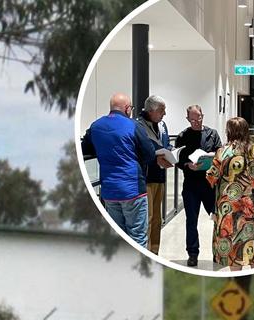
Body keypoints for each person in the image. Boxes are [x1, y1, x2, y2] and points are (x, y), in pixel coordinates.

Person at [89, 93, 155, 248]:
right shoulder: (133, 125)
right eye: (131, 108)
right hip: (133, 190)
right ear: (127, 109)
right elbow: (149, 153)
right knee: (137, 237)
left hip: (109, 192)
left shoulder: (96, 126)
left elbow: (85, 146)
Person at [206, 118, 254, 270]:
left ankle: (237, 284)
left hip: (232, 206)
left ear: (229, 132)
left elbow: (211, 178)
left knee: (233, 245)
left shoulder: (223, 152)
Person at [174, 105, 223, 267]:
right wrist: (188, 165)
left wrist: (212, 160)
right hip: (191, 185)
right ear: (187, 119)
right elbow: (178, 160)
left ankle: (219, 251)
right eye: (193, 120)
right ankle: (193, 253)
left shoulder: (212, 134)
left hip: (209, 184)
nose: (196, 122)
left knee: (217, 218)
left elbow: (220, 154)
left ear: (203, 115)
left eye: (199, 118)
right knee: (191, 220)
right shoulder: (183, 136)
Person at [136, 95, 172, 255]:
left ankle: (155, 251)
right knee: (148, 218)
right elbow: (139, 152)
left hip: (160, 176)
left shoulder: (162, 125)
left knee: (157, 218)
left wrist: (171, 152)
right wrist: (155, 159)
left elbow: (166, 144)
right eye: (162, 111)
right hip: (147, 177)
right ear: (152, 111)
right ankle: (147, 251)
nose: (164, 114)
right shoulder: (138, 126)